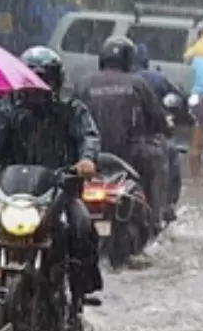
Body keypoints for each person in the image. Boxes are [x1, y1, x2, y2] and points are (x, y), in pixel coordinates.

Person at [0, 47, 104, 331]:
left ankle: (79, 295)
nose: (36, 87)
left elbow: (88, 136)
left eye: (43, 80)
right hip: (11, 193)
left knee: (82, 227)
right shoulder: (8, 112)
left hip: (58, 191)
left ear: (55, 82)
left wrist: (86, 160)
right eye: (31, 80)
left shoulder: (71, 110)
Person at [70, 36, 172, 234]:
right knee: (159, 159)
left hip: (90, 157)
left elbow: (71, 121)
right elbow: (158, 120)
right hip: (130, 155)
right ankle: (155, 219)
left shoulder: (83, 84)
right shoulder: (137, 84)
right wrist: (165, 128)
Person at [134, 42, 189, 220]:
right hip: (147, 139)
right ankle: (164, 208)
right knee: (170, 155)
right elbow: (177, 100)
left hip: (115, 142)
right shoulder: (153, 79)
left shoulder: (103, 80)